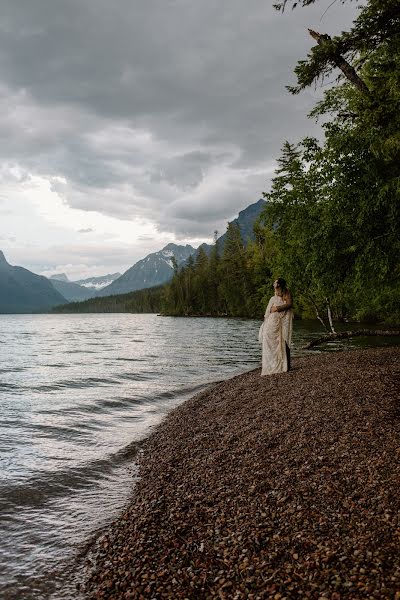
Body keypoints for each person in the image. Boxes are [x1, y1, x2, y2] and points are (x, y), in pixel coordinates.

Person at [258, 278, 293, 375]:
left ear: (279, 284)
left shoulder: (286, 292)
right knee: (270, 343)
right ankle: (272, 364)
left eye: (275, 282)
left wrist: (277, 308)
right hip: (272, 322)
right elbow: (268, 312)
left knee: (283, 341)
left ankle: (285, 365)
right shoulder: (274, 297)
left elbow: (289, 304)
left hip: (281, 322)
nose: (273, 284)